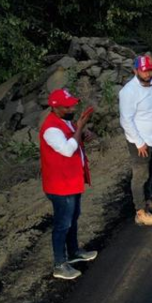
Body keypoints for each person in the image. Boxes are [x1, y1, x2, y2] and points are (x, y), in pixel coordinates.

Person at [40, 88, 98, 281]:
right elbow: (67, 150)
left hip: (71, 180)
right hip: (60, 185)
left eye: (73, 105)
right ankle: (59, 264)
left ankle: (73, 252)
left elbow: (74, 139)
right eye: (68, 107)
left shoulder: (66, 122)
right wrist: (79, 128)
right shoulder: (51, 129)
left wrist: (83, 132)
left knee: (73, 218)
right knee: (62, 223)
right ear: (55, 108)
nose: (72, 108)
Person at [119, 54, 152, 226]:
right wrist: (139, 143)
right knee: (141, 176)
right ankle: (140, 212)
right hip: (139, 142)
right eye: (144, 71)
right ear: (135, 71)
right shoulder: (129, 92)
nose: (147, 74)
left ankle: (148, 201)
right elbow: (126, 120)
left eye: (150, 70)